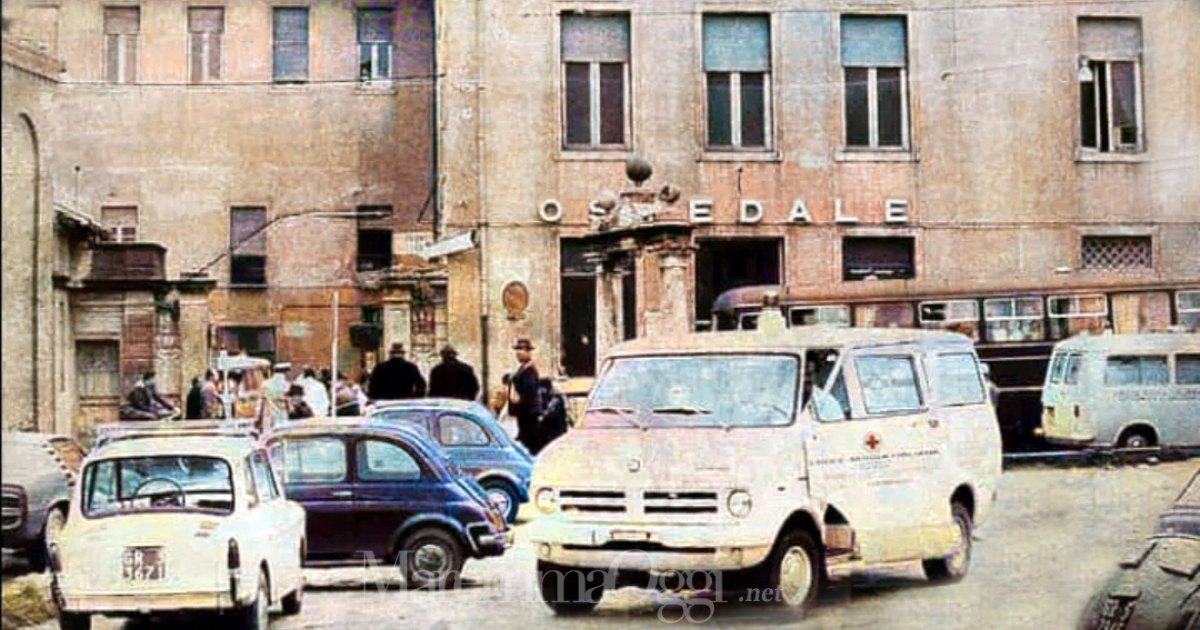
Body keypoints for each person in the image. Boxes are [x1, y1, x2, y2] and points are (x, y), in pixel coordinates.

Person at [506, 338, 542, 454]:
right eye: (517, 349)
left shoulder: (530, 371)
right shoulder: (522, 369)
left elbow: (528, 392)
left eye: (521, 349)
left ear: (528, 352)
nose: (518, 353)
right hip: (523, 413)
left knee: (529, 442)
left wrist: (518, 400)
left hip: (528, 413)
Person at [535, 377, 569, 452]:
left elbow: (547, 414)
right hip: (547, 435)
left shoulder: (556, 400)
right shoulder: (545, 399)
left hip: (556, 435)